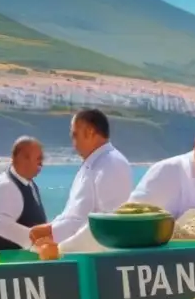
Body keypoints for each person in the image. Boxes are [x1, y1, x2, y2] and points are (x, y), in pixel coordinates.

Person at [28, 108, 133, 252]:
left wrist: (57, 242)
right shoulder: (94, 164)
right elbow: (76, 214)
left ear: (89, 132)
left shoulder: (111, 163)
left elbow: (108, 222)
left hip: (91, 262)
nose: (73, 142)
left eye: (74, 135)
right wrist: (51, 230)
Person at [0, 137, 47, 251]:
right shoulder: (7, 186)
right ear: (23, 159)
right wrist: (36, 241)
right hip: (12, 264)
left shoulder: (28, 182)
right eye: (38, 159)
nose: (41, 164)